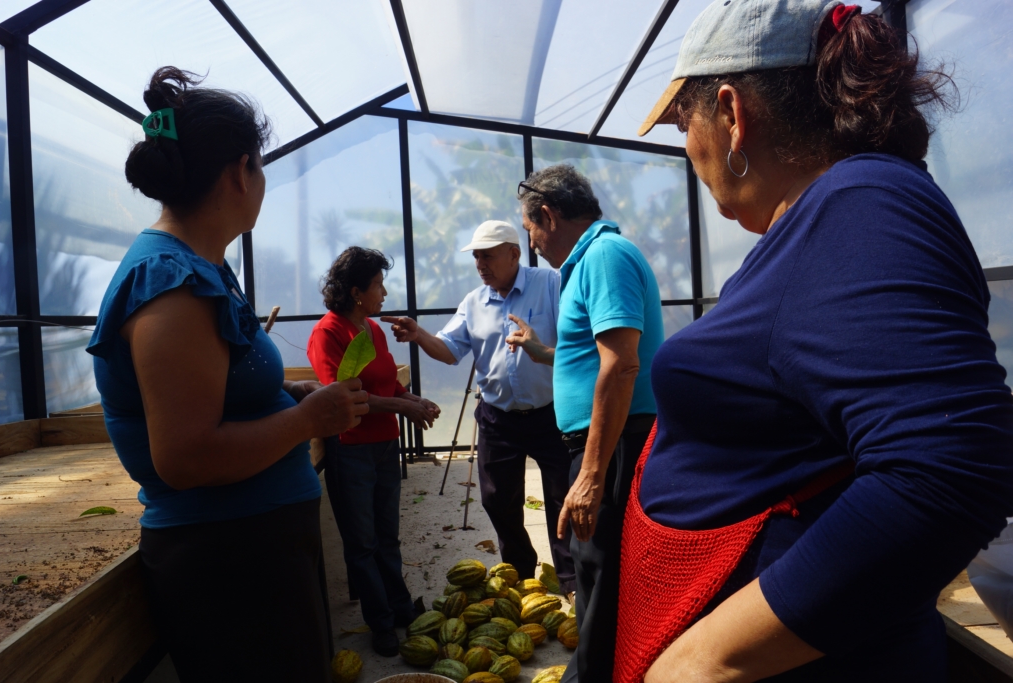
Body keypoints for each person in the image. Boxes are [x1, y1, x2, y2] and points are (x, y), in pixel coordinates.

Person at [615, 2, 1013, 682]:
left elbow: (951, 466)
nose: (685, 146)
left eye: (684, 120)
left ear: (733, 113)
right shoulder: (825, 217)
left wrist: (706, 659)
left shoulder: (863, 201)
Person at [87, 68, 369, 683]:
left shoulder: (202, 267)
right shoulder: (170, 283)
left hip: (254, 541)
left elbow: (223, 391)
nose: (263, 184)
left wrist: (285, 395)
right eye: (262, 168)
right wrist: (304, 421)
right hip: (229, 556)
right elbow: (184, 456)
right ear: (240, 171)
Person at [507, 166, 664, 683]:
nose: (532, 245)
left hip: (614, 442)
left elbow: (621, 365)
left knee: (599, 573)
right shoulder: (593, 260)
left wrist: (592, 473)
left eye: (530, 232)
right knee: (598, 569)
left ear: (548, 216)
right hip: (607, 440)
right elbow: (593, 357)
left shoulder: (604, 256)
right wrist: (540, 350)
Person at [382, 220, 577, 596]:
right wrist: (419, 333)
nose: (480, 264)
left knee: (560, 497)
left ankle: (569, 579)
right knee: (497, 500)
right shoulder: (474, 302)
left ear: (514, 254)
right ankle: (519, 569)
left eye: (487, 256)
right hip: (497, 419)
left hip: (550, 414)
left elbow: (577, 338)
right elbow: (450, 350)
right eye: (476, 257)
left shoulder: (550, 284)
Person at [306, 246, 440, 657]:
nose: (384, 292)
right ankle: (380, 622)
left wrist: (412, 397)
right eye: (378, 285)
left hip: (385, 445)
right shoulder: (328, 333)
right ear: (356, 291)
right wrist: (403, 407)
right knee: (361, 543)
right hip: (352, 449)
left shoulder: (372, 330)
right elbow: (342, 396)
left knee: (387, 538)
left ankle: (400, 609)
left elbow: (385, 383)